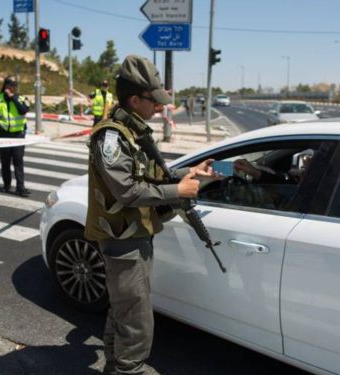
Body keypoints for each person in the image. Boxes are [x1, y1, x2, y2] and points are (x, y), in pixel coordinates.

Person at [85, 55, 216, 375]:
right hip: (122, 238)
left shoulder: (135, 132)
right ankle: (130, 369)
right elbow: (127, 191)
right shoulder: (112, 136)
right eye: (153, 101)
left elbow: (153, 175)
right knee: (136, 315)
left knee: (124, 307)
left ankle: (116, 366)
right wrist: (178, 192)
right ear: (134, 100)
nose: (159, 108)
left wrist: (191, 172)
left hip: (136, 233)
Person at [0, 76, 31, 197]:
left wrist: (13, 97)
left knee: (18, 161)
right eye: (13, 85)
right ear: (7, 86)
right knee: (5, 161)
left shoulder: (21, 98)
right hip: (2, 135)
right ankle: (7, 185)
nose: (16, 87)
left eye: (16, 85)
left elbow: (23, 110)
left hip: (18, 135)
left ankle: (20, 188)